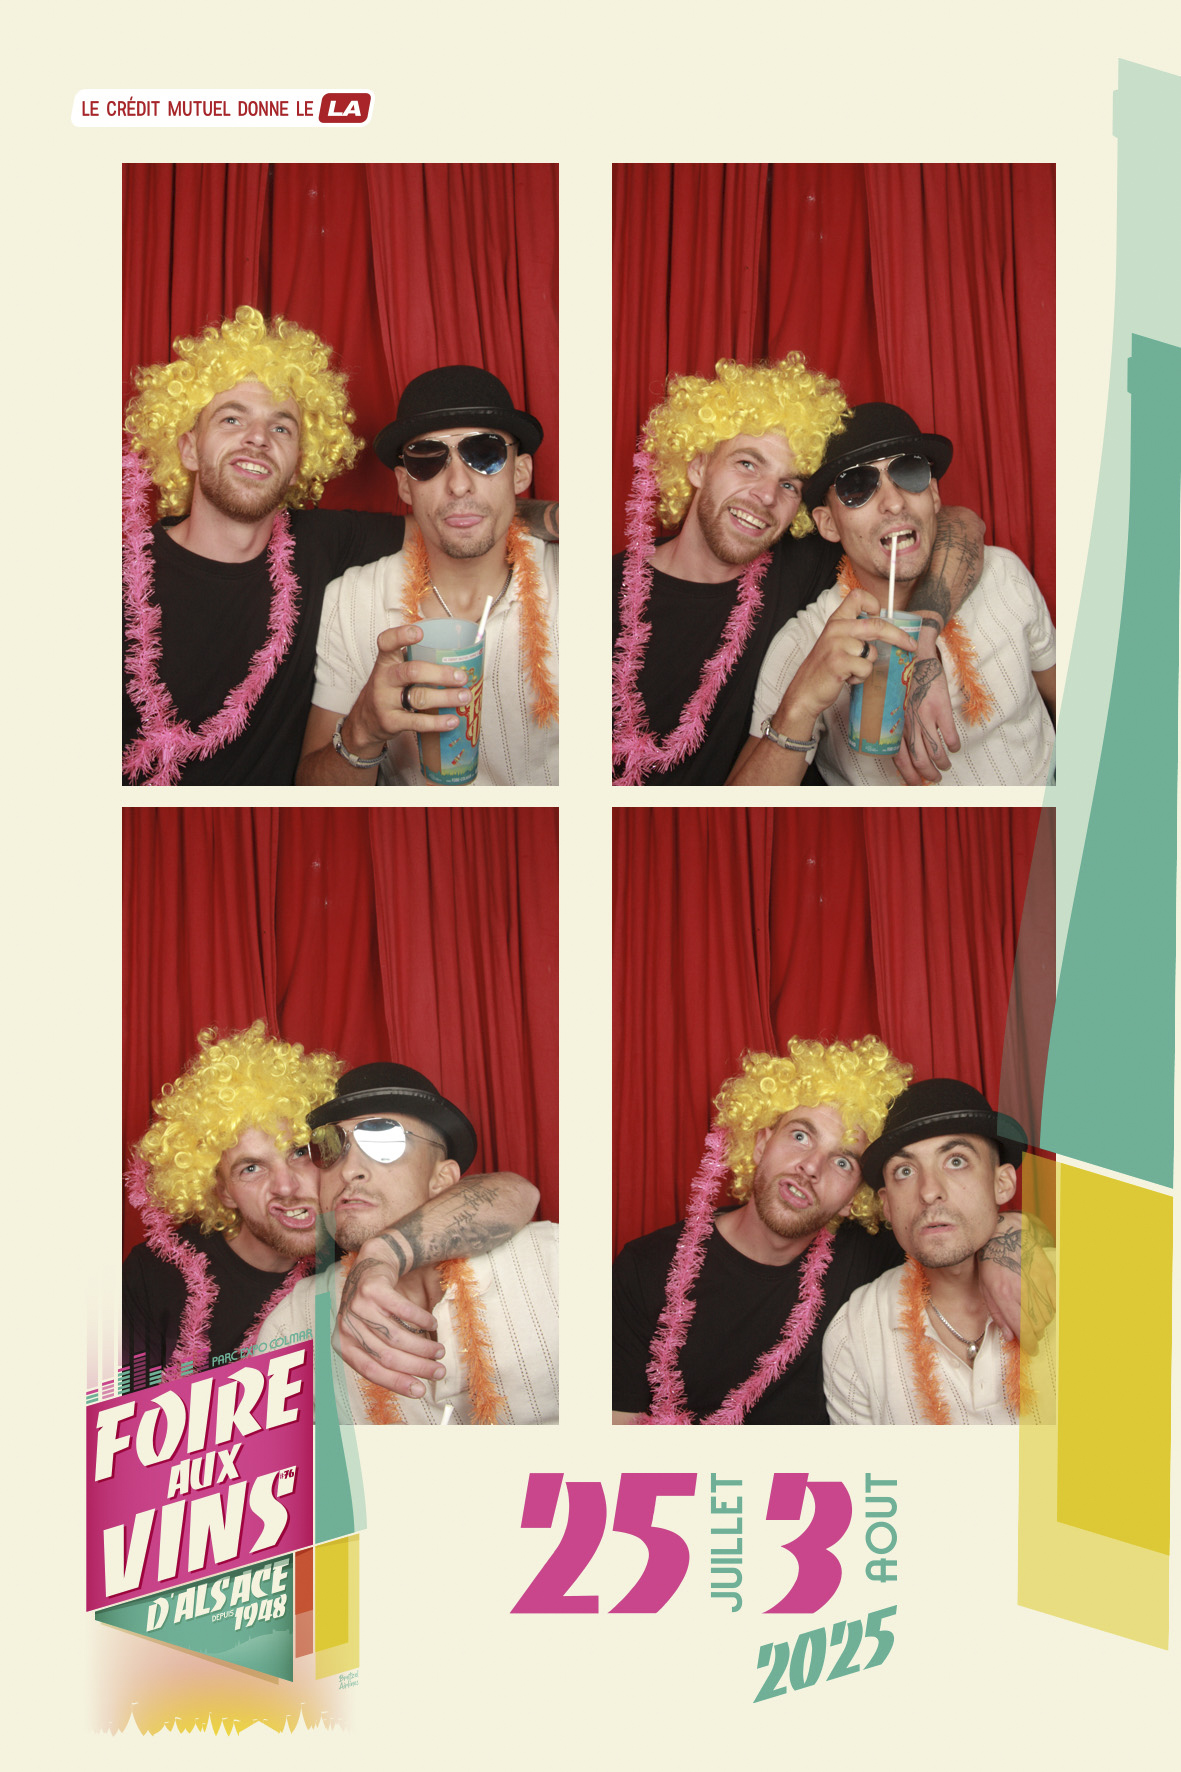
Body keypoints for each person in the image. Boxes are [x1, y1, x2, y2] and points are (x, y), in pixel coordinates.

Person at [123, 311, 552, 786]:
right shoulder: (120, 577)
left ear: (298, 462)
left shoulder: (323, 544)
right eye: (231, 418)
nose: (258, 438)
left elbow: (453, 518)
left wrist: (552, 518)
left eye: (281, 428)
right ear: (187, 448)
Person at [612, 1040, 1039, 1426]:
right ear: (760, 1143)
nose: (811, 1167)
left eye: (843, 1161)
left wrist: (1005, 1242)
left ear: (858, 1198)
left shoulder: (870, 1256)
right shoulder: (644, 1268)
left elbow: (950, 1224)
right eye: (800, 1135)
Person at [612, 359, 984, 786]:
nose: (767, 495)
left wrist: (923, 642)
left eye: (790, 484)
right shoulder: (598, 593)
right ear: (697, 466)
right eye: (747, 464)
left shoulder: (800, 561)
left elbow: (953, 523)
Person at [122, 1025, 538, 1390]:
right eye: (251, 1168)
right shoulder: (153, 1276)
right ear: (224, 1193)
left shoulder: (353, 1230)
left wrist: (383, 1255)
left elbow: (514, 1193)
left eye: (300, 1152)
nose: (286, 1186)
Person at [732, 403, 1056, 787]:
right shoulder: (805, 646)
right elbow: (741, 808)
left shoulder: (1003, 575)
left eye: (910, 472)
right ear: (828, 524)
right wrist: (800, 707)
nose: (895, 502)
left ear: (933, 494)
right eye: (857, 487)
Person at [297, 367, 559, 786]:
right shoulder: (350, 601)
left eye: (485, 453)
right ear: (404, 485)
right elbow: (313, 795)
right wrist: (362, 731)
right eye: (427, 460)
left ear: (521, 472)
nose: (458, 485)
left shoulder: (582, 584)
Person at [257, 1064, 558, 1425]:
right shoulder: (294, 1322)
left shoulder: (552, 1262)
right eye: (330, 1147)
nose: (349, 1170)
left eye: (384, 1141)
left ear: (442, 1179)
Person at [822, 1079, 1056, 1425]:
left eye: (956, 1161)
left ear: (1002, 1183)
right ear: (886, 1206)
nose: (929, 1191)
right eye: (905, 1171)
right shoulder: (854, 1334)